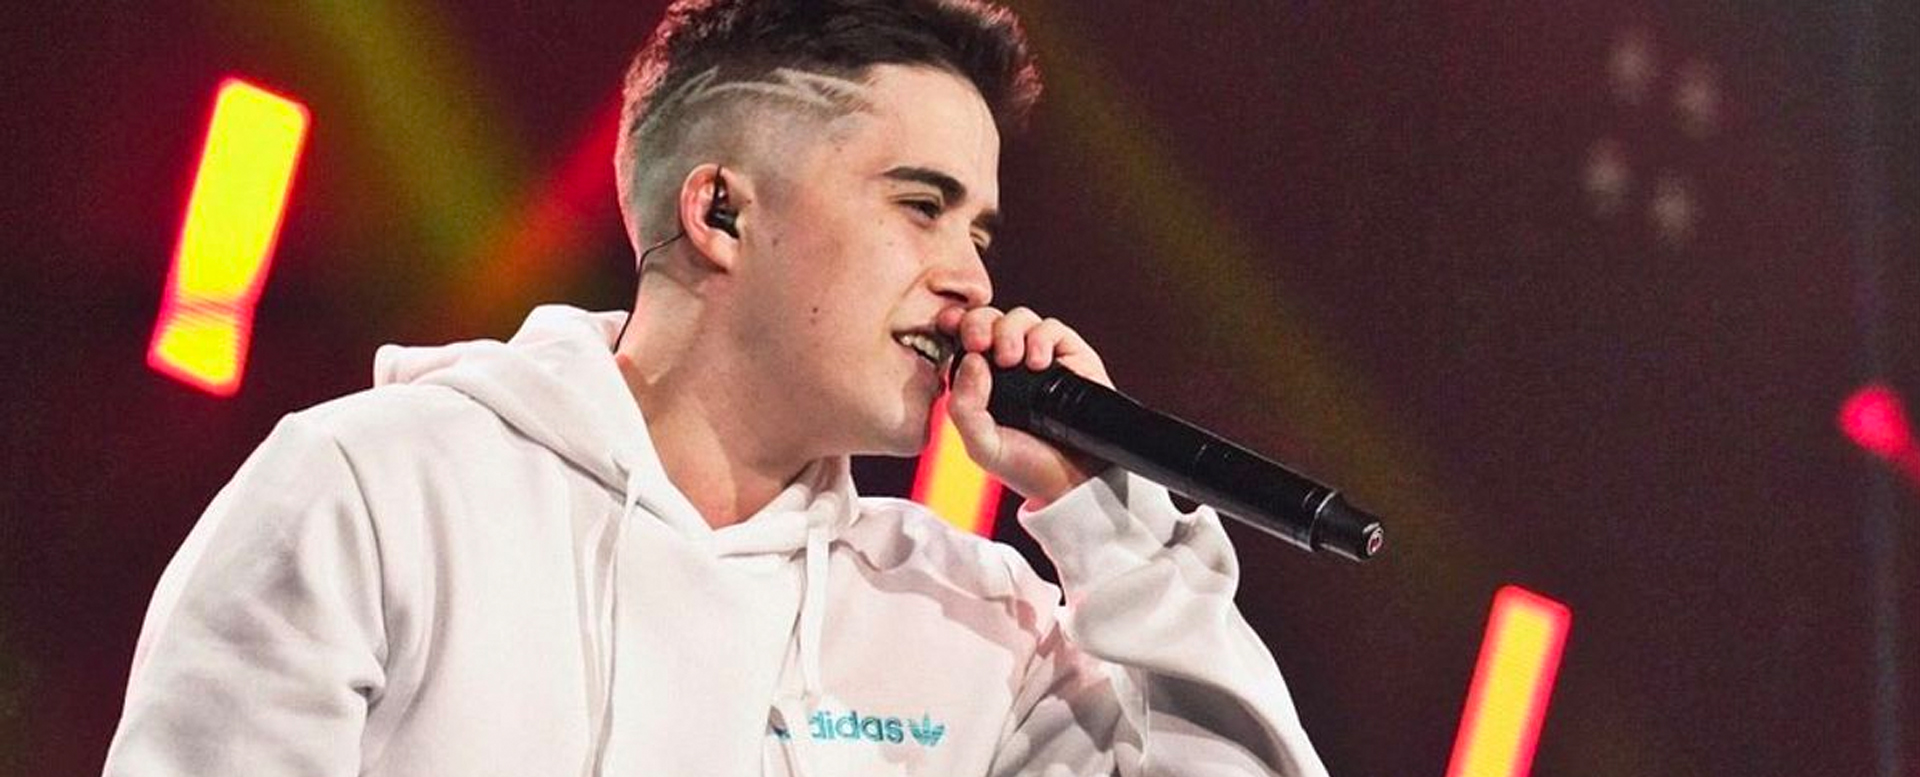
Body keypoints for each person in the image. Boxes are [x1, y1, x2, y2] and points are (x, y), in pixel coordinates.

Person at [102, 1, 1329, 775]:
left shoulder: (974, 618)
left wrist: (1113, 529)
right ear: (722, 212)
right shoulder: (377, 493)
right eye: (921, 205)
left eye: (982, 232)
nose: (971, 279)